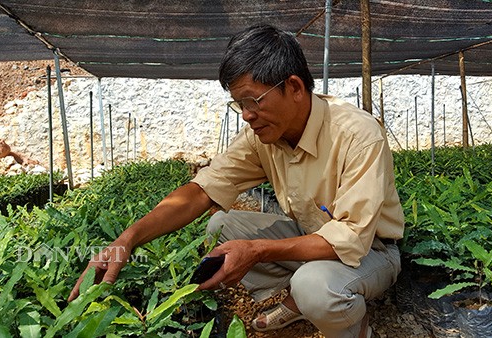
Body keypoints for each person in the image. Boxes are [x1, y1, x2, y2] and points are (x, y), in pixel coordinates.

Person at [69, 23, 404, 338]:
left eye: (253, 100)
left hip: (370, 252)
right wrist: (128, 239)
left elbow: (349, 239)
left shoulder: (357, 134)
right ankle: (297, 301)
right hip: (310, 235)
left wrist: (256, 251)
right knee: (222, 225)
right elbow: (201, 191)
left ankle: (352, 326)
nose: (246, 114)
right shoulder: (261, 136)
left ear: (294, 87)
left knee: (315, 287)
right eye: (239, 104)